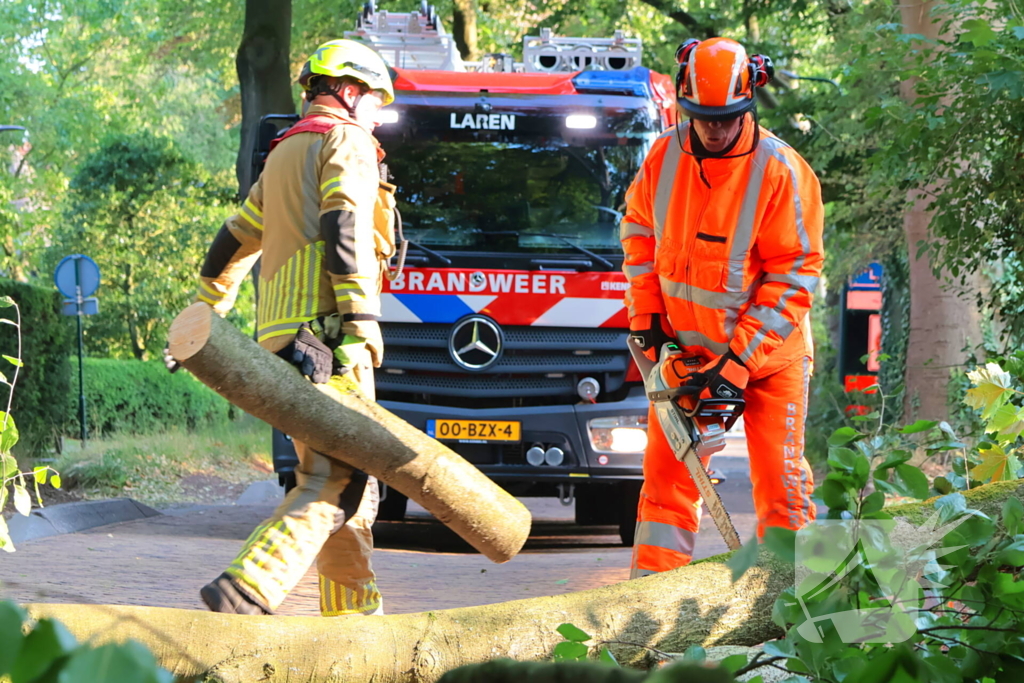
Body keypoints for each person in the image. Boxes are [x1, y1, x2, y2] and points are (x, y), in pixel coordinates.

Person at [186, 39, 399, 615]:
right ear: (350, 92)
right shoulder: (346, 141)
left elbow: (234, 236)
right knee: (340, 480)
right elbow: (345, 225)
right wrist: (360, 319)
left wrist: (207, 305)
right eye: (376, 101)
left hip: (283, 344)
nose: (378, 115)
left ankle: (352, 622)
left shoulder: (284, 151)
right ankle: (250, 584)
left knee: (344, 487)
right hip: (329, 338)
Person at [620, 37, 824, 577]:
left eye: (726, 118)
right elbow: (638, 232)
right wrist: (646, 320)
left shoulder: (781, 171)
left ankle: (794, 618)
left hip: (769, 362)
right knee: (665, 484)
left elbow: (793, 275)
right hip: (684, 355)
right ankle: (645, 620)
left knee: (780, 490)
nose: (713, 128)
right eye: (701, 117)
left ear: (748, 103)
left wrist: (739, 363)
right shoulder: (664, 156)